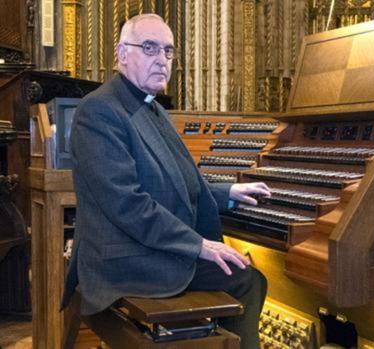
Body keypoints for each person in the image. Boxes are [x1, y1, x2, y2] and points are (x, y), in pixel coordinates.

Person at [61, 13, 270, 349]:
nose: (161, 60)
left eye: (168, 52)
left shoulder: (151, 108)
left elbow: (176, 181)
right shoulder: (99, 110)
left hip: (144, 246)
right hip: (122, 259)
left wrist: (227, 192)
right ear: (122, 54)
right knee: (245, 279)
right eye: (149, 48)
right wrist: (198, 245)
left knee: (242, 273)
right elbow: (128, 205)